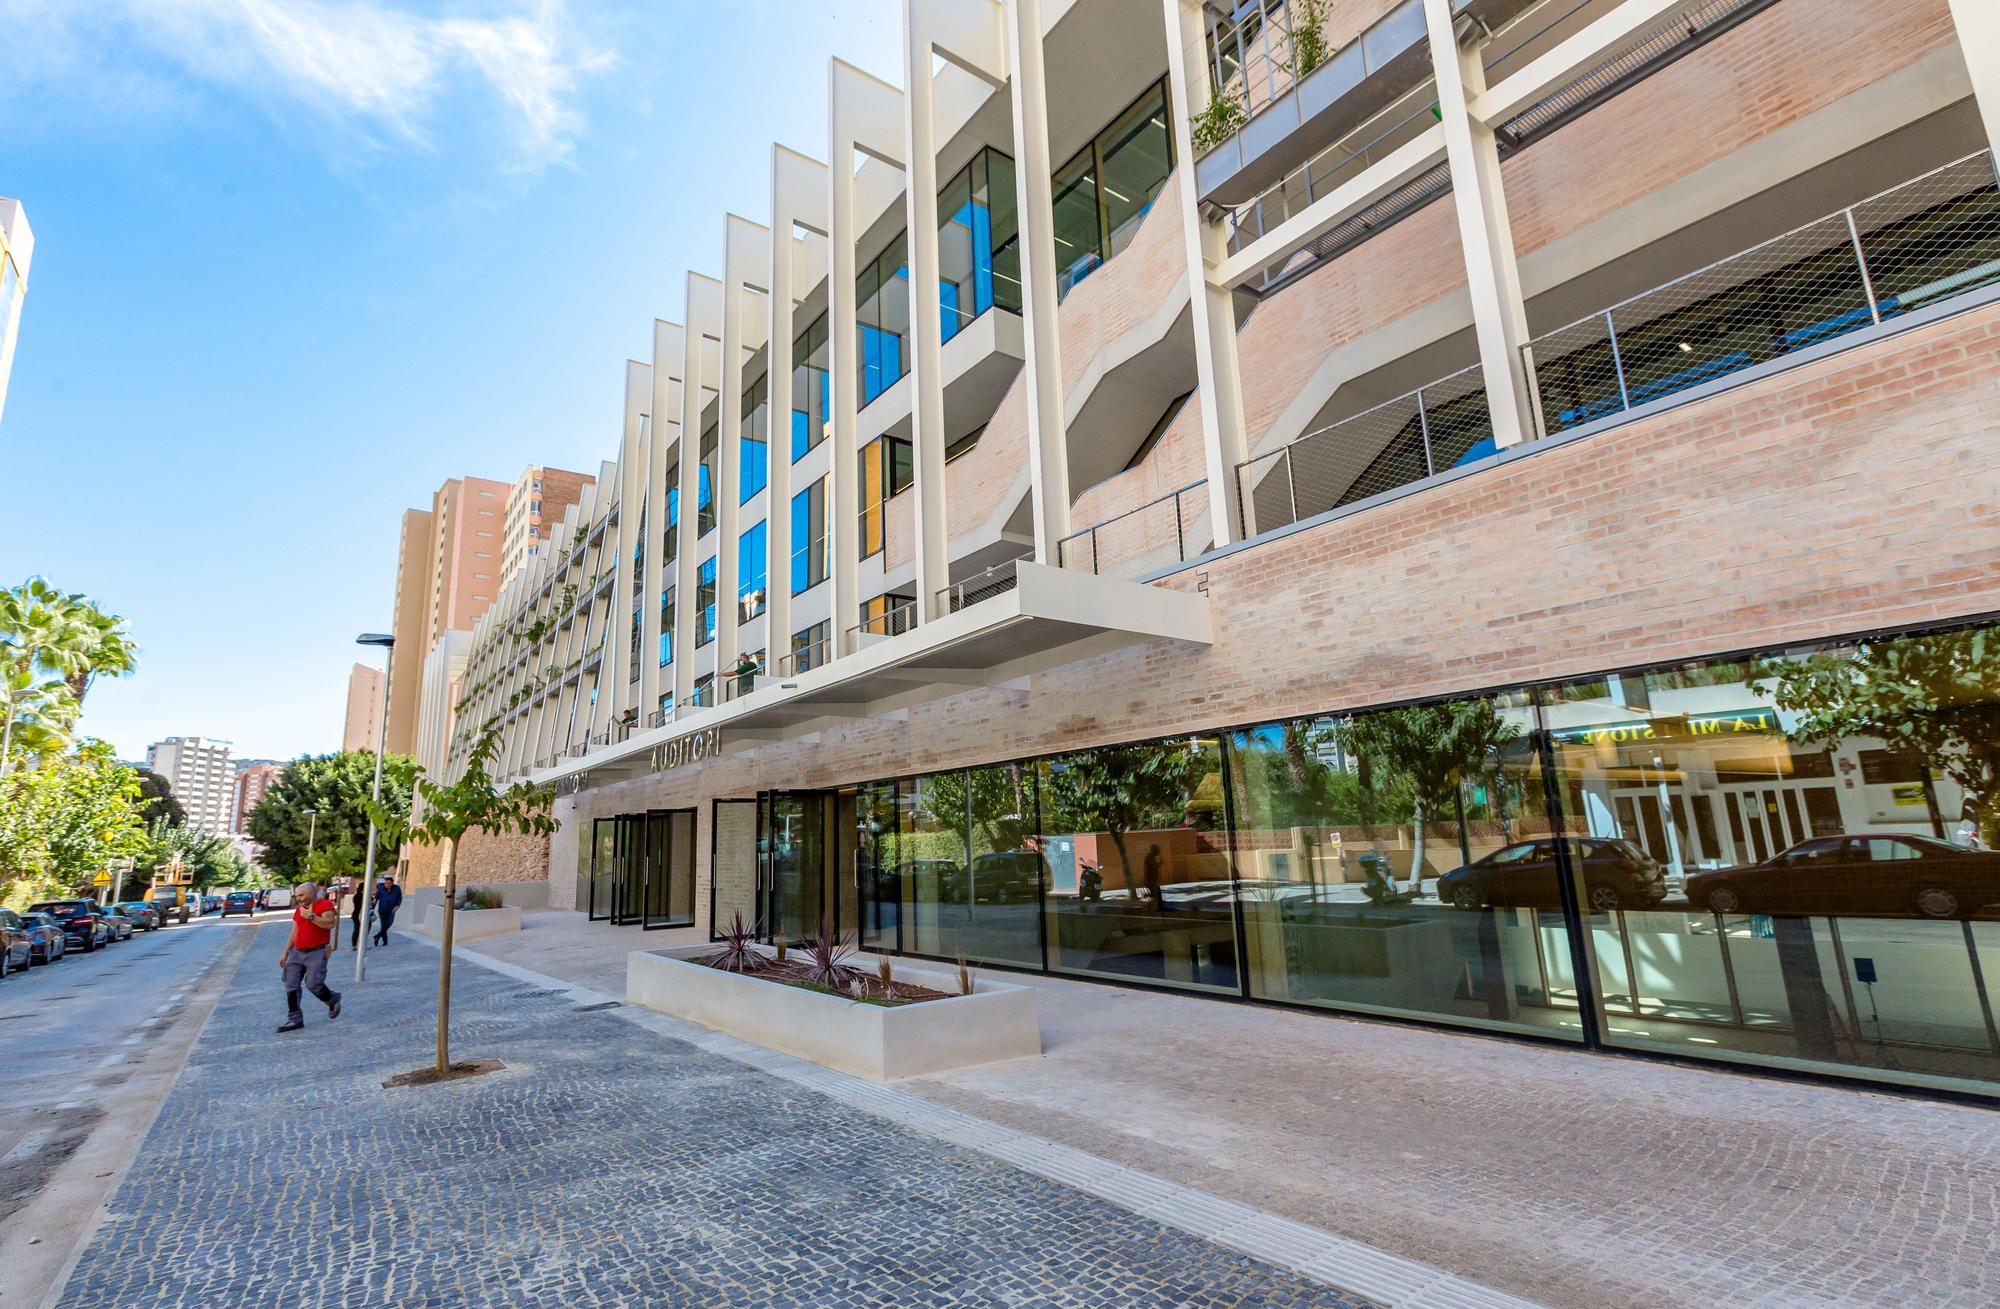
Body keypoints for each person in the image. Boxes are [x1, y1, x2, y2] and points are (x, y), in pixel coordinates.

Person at [278, 881, 341, 1033]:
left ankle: (332, 1000)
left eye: (302, 895)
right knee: (290, 984)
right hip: (297, 952)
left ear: (312, 893)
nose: (299, 899)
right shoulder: (300, 909)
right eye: (297, 896)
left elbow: (330, 924)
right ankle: (295, 1019)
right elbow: (295, 931)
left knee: (313, 984)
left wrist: (311, 916)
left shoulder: (325, 905)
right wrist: (285, 952)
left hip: (317, 952)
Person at [371, 874, 403, 946]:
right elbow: (376, 899)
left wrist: (397, 906)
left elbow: (399, 898)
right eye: (385, 883)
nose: (387, 885)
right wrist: (372, 909)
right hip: (382, 910)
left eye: (388, 883)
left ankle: (377, 936)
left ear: (392, 883)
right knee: (383, 925)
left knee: (389, 923)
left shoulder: (397, 888)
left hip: (392, 910)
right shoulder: (380, 889)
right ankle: (385, 942)